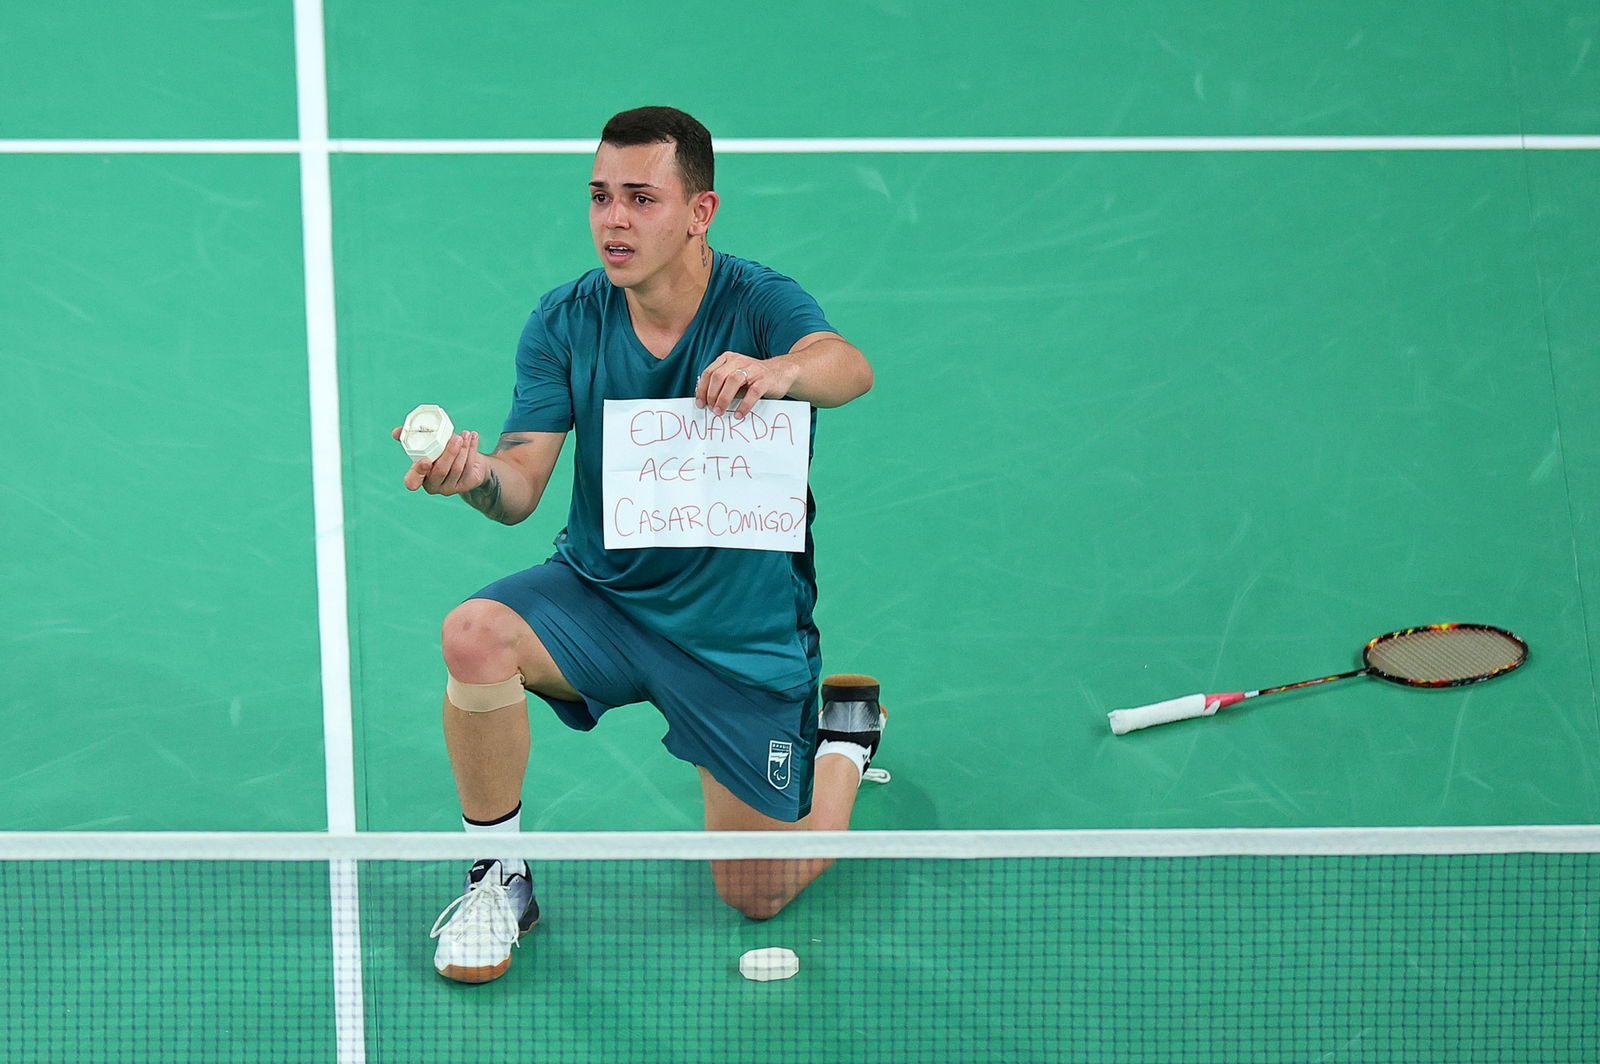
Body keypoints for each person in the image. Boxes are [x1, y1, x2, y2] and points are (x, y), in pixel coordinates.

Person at [396, 106, 884, 984]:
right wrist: (468, 476)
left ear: (700, 211)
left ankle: (844, 747)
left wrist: (781, 373)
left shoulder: (758, 302)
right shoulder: (565, 321)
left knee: (756, 891)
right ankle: (498, 880)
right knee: (474, 634)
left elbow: (848, 365)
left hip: (737, 635)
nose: (613, 220)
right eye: (599, 197)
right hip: (605, 601)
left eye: (640, 198)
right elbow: (519, 489)